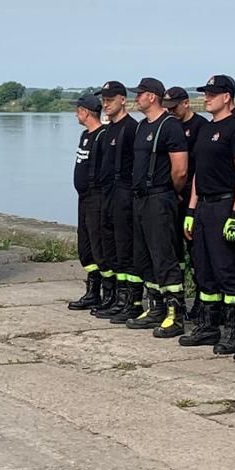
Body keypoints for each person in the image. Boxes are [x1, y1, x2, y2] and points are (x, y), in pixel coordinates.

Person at [184, 75, 235, 354]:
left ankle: (234, 332)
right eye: (205, 93)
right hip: (203, 204)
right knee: (204, 269)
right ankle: (208, 326)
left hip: (225, 204)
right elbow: (196, 174)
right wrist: (191, 209)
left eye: (213, 94)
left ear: (227, 96)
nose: (207, 97)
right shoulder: (204, 129)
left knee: (227, 270)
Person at [125, 77, 190, 336]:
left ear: (152, 96)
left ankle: (175, 315)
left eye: (139, 94)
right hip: (140, 198)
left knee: (164, 256)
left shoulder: (170, 126)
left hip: (160, 197)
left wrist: (168, 192)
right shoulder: (142, 126)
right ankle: (155, 307)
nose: (136, 98)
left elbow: (181, 170)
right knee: (144, 257)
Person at [166, 85, 217, 341]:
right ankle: (184, 300)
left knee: (198, 254)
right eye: (168, 108)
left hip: (193, 196)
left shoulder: (200, 127)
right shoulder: (169, 125)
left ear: (186, 104)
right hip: (175, 197)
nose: (171, 111)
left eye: (175, 107)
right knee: (178, 253)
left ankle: (200, 300)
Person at [93, 82, 144, 322]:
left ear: (123, 100)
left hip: (124, 192)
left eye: (110, 99)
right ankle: (113, 296)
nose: (105, 104)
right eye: (103, 100)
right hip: (107, 192)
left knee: (126, 247)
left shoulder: (131, 128)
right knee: (109, 246)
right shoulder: (107, 130)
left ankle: (130, 300)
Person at [68, 92, 113, 311]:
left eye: (77, 111)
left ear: (86, 112)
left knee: (99, 245)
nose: (75, 115)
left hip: (98, 198)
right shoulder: (85, 135)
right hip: (83, 198)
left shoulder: (103, 135)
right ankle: (92, 290)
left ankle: (109, 293)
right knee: (84, 246)